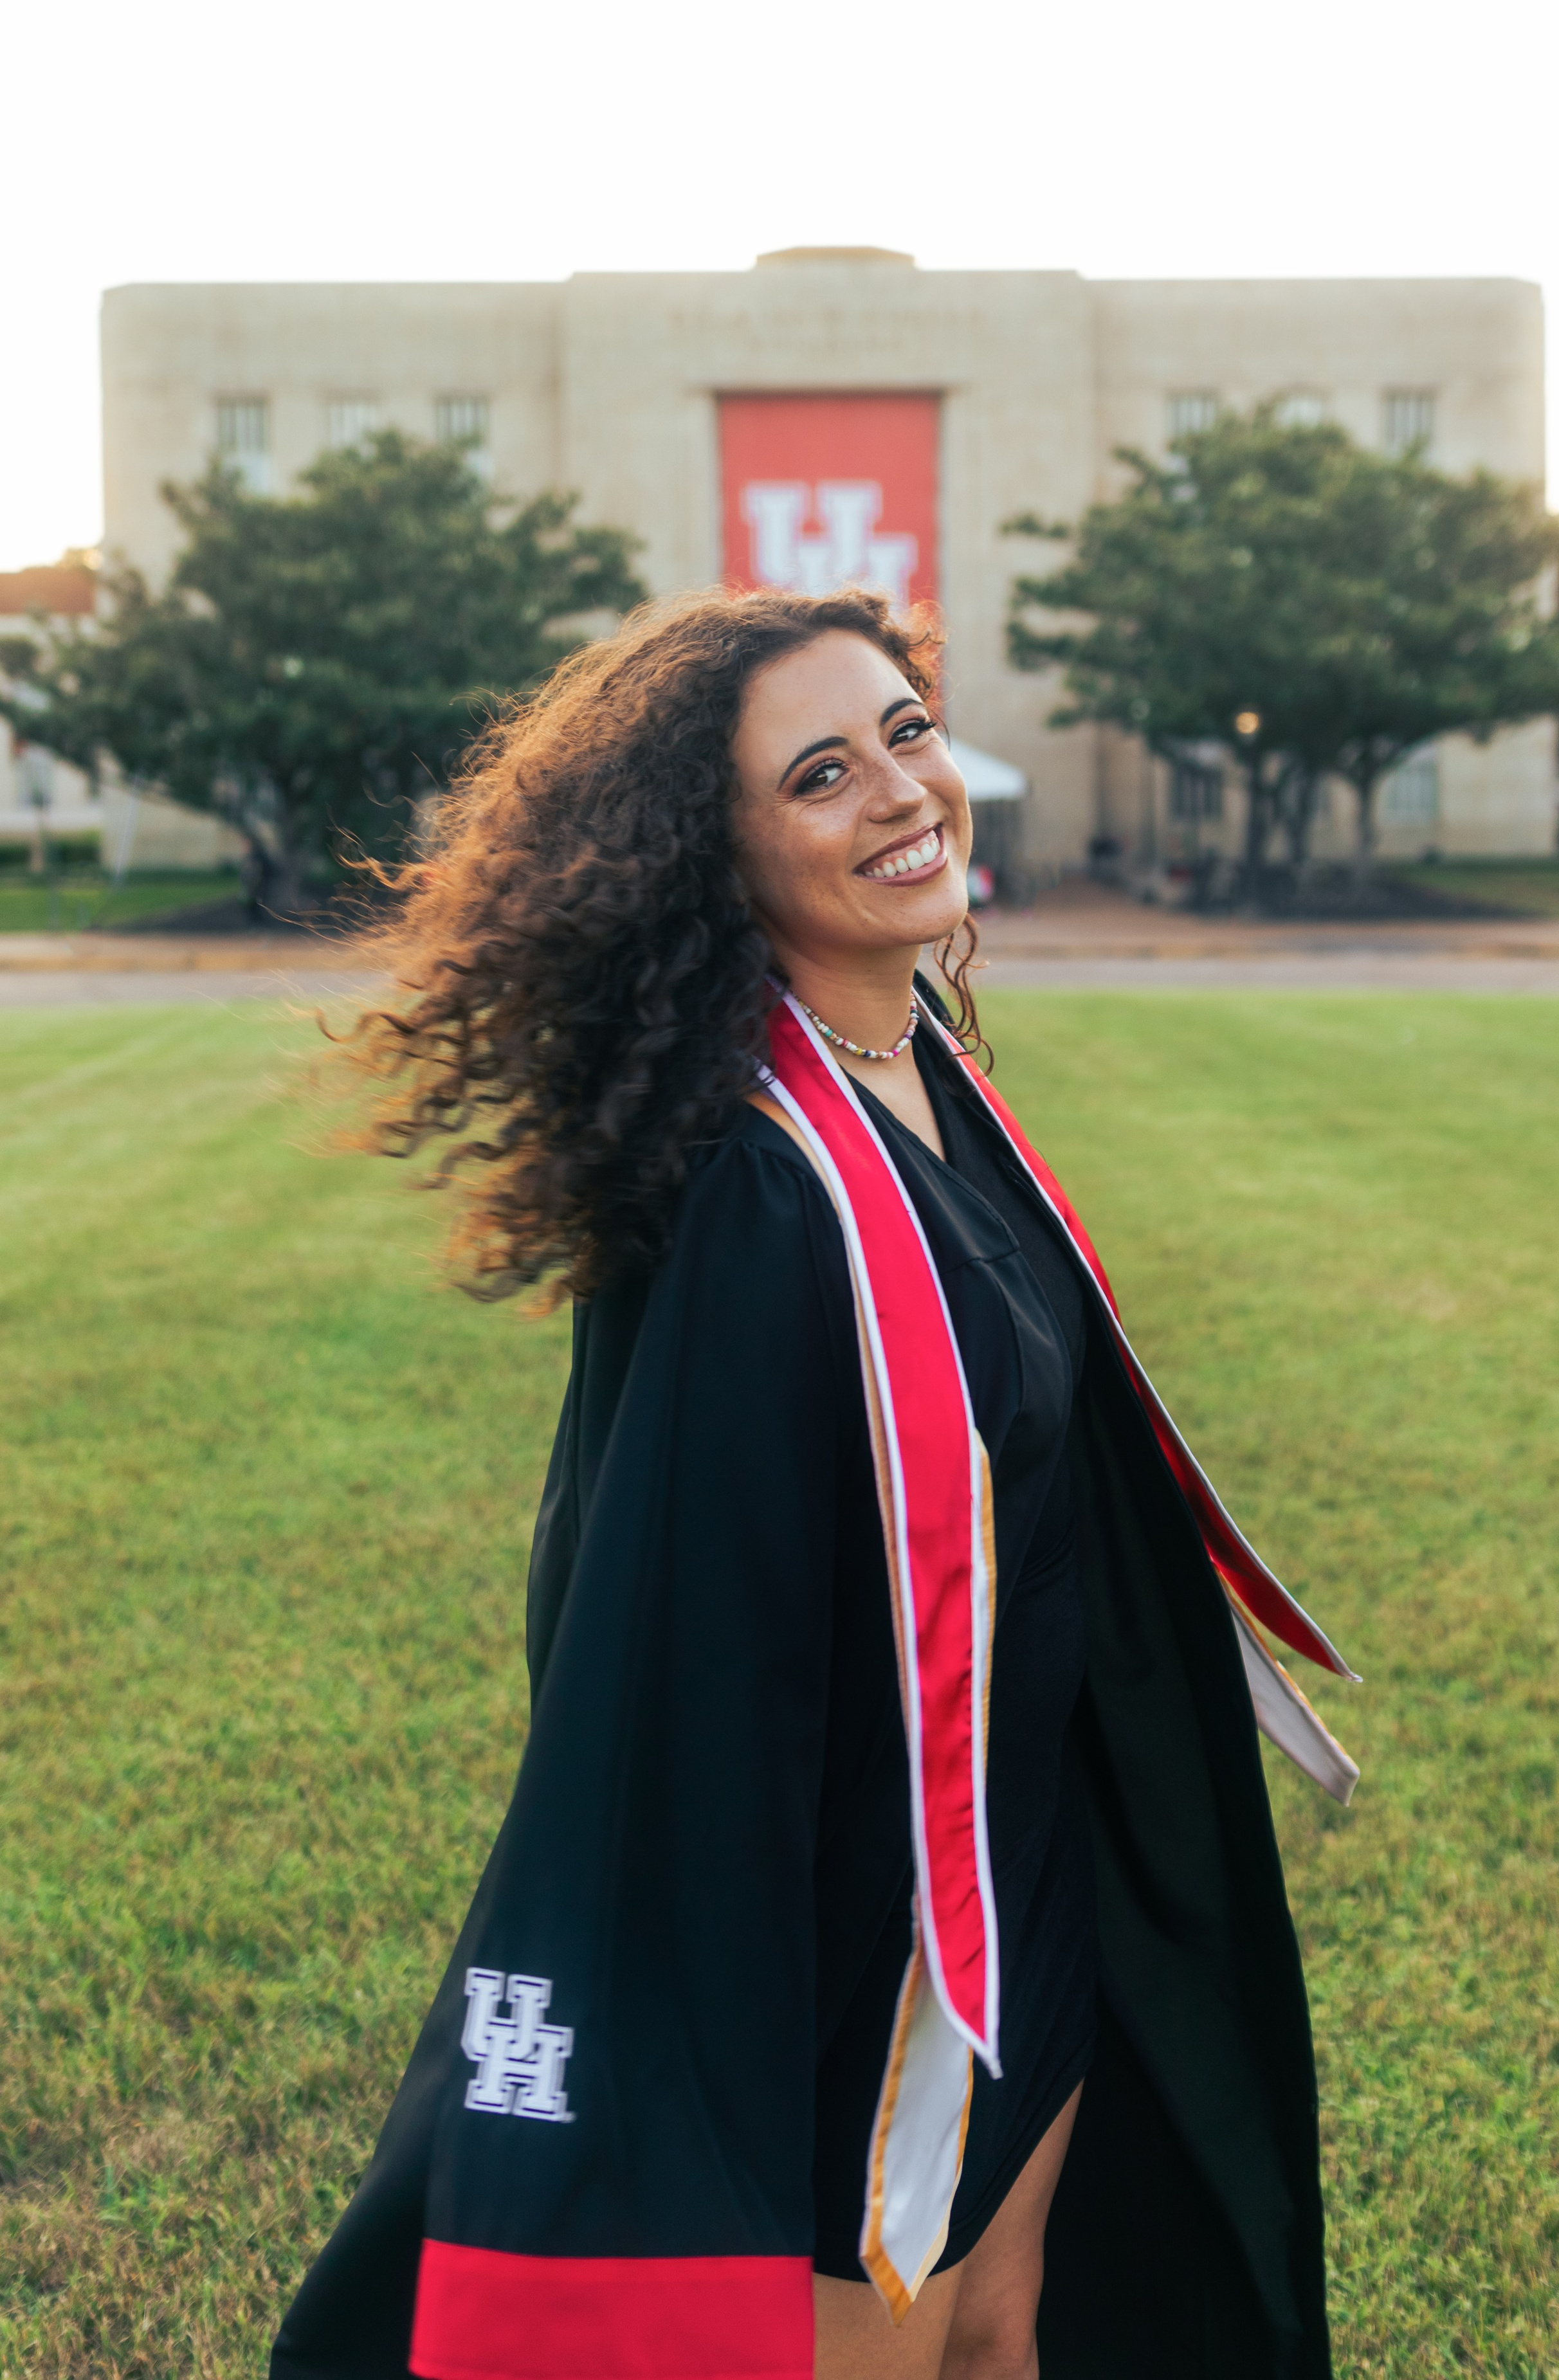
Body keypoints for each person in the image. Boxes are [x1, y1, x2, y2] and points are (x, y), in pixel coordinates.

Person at [271, 587, 1358, 2380]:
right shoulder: (751, 1198)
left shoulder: (920, 1070)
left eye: (907, 734)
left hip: (1025, 1876)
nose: (901, 794)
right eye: (823, 775)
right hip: (866, 1933)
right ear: (726, 861)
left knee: (1009, 2331)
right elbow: (669, 1648)